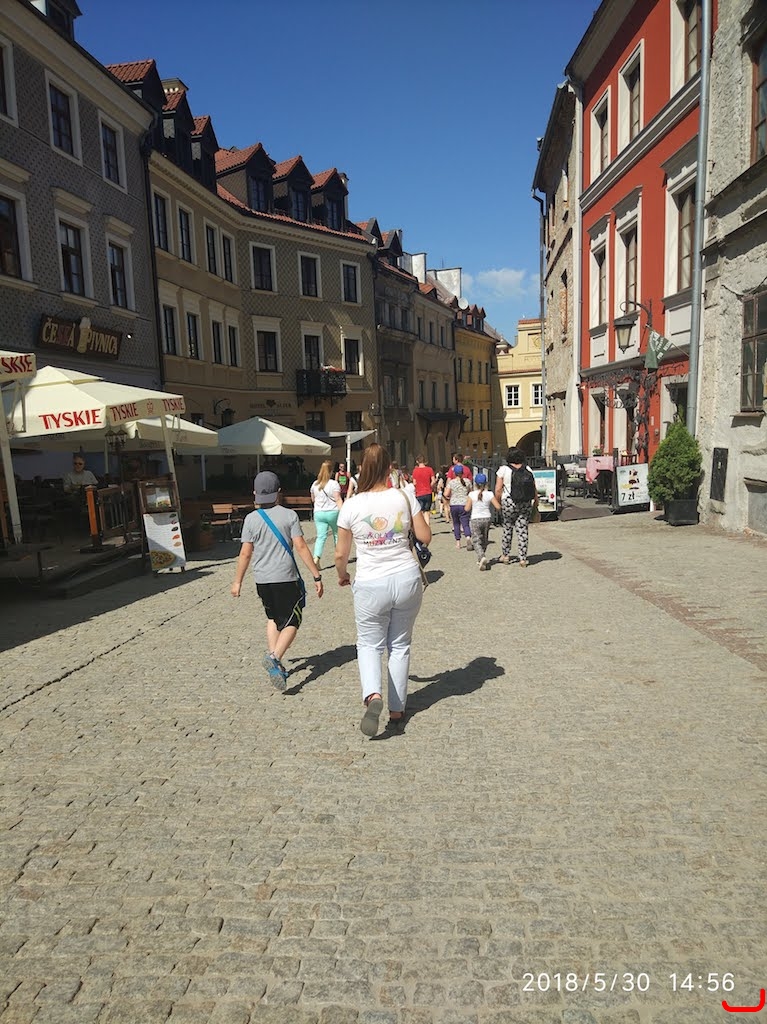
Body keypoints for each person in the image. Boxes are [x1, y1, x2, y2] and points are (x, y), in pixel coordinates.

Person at [335, 444, 431, 737]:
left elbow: (340, 554)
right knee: (400, 645)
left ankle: (373, 695)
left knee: (368, 644)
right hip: (406, 578)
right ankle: (397, 710)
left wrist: (342, 575)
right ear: (390, 467)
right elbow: (425, 536)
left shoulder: (351, 505)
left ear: (361, 469)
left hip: (370, 582)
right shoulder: (404, 495)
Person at [231, 471, 323, 690]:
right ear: (279, 492)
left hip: (262, 580)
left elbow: (245, 553)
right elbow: (300, 546)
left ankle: (276, 664)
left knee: (273, 617)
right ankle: (274, 657)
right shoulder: (289, 516)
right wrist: (316, 575)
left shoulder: (251, 519)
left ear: (255, 493)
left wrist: (237, 581)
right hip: (285, 578)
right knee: (293, 620)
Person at [494, 448, 538, 567]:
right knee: (522, 529)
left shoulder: (503, 470)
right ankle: (523, 558)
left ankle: (505, 555)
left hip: (509, 502)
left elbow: (498, 489)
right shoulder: (527, 469)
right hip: (525, 502)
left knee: (507, 528)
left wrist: (497, 503)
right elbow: (534, 488)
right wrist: (536, 503)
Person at [310, 459, 343, 570]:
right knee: (337, 534)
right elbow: (338, 499)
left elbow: (313, 499)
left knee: (321, 537)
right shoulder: (334, 484)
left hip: (319, 513)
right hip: (333, 512)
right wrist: (343, 512)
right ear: (331, 471)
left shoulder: (315, 484)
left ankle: (316, 558)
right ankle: (339, 557)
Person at [465, 472, 501, 571]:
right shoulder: (489, 494)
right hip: (487, 518)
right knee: (484, 540)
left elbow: (467, 509)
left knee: (476, 540)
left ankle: (481, 556)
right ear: (486, 483)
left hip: (475, 519)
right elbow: (498, 506)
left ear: (475, 484)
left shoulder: (472, 494)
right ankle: (480, 559)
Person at [443, 463, 473, 550]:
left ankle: (458, 543)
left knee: (456, 523)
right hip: (464, 504)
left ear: (454, 473)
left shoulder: (451, 482)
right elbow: (471, 492)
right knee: (465, 523)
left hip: (454, 505)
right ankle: (468, 537)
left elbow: (446, 494)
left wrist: (448, 498)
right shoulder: (467, 481)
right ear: (462, 472)